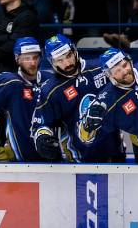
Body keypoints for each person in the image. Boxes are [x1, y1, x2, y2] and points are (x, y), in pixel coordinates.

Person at [31, 35, 124, 163]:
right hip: (78, 158)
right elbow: (40, 123)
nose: (67, 63)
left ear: (75, 51)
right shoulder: (50, 90)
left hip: (114, 152)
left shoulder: (101, 69)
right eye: (60, 60)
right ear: (52, 62)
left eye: (69, 56)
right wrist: (42, 138)